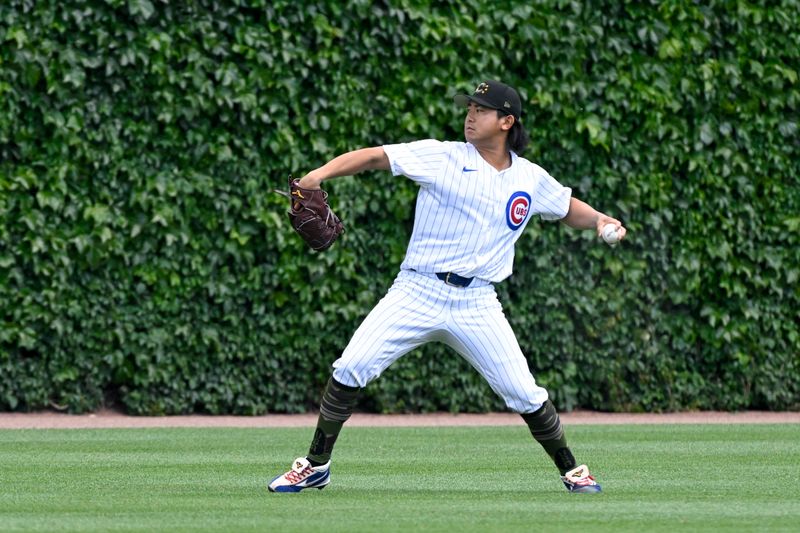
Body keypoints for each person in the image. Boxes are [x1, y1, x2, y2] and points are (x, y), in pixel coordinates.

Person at [268, 79, 626, 494]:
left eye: (481, 109)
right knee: (350, 368)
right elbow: (374, 156)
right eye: (469, 107)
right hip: (416, 291)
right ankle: (315, 465)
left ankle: (572, 470)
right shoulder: (442, 155)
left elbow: (565, 207)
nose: (470, 115)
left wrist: (599, 218)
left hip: (478, 303)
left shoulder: (529, 177)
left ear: (507, 121)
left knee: (524, 392)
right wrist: (318, 175)